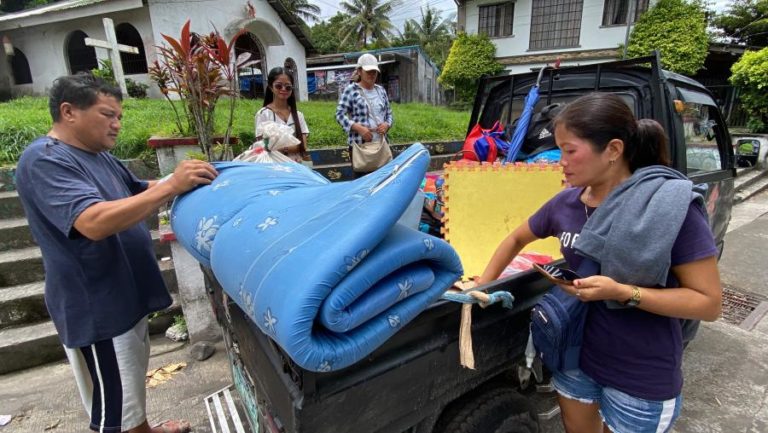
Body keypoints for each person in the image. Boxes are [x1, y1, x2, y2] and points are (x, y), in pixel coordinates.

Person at [477, 93, 722, 433]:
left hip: (639, 372)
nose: (560, 160)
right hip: (575, 356)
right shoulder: (565, 203)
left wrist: (623, 292)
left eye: (570, 150)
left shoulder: (668, 208)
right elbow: (515, 239)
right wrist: (482, 289)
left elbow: (708, 304)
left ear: (613, 150)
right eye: (559, 149)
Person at [15, 73, 218, 433]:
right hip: (97, 307)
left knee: (128, 390)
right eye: (108, 114)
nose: (117, 124)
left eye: (120, 116)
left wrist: (198, 179)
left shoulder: (98, 156)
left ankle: (143, 428)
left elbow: (141, 190)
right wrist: (171, 184)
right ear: (69, 112)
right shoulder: (44, 161)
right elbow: (91, 222)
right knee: (115, 409)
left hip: (124, 294)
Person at [335, 53, 394, 177]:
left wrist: (387, 124)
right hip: (360, 147)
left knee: (383, 181)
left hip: (381, 145)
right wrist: (358, 128)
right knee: (363, 184)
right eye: (368, 71)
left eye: (374, 71)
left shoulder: (381, 90)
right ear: (359, 71)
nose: (372, 74)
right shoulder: (351, 90)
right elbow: (339, 115)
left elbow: (389, 114)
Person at [255, 66, 309, 163]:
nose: (283, 89)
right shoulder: (264, 114)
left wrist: (278, 148)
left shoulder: (298, 115)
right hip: (273, 168)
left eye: (288, 87)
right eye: (279, 86)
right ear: (271, 87)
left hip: (296, 168)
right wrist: (292, 147)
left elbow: (303, 146)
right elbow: (264, 147)